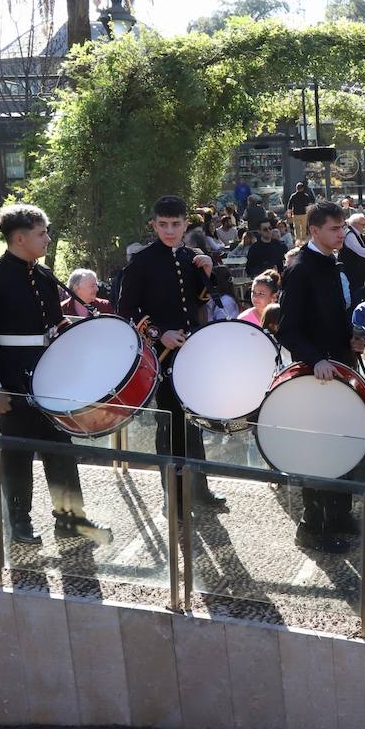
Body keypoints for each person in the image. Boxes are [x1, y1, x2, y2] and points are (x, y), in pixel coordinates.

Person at [0, 204, 111, 544]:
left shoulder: (44, 276)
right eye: (41, 233)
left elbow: (55, 325)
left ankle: (71, 519)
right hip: (13, 381)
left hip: (51, 380)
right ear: (19, 238)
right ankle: (19, 523)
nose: (47, 238)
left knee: (61, 449)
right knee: (17, 455)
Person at [117, 195, 223, 507]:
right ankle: (171, 495)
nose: (169, 230)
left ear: (185, 224)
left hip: (192, 352)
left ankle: (200, 490)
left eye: (175, 224)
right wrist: (158, 333)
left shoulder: (191, 256)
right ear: (153, 225)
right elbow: (126, 311)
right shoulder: (141, 262)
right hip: (161, 356)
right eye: (163, 225)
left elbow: (202, 300)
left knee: (195, 421)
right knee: (170, 423)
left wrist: (207, 269)